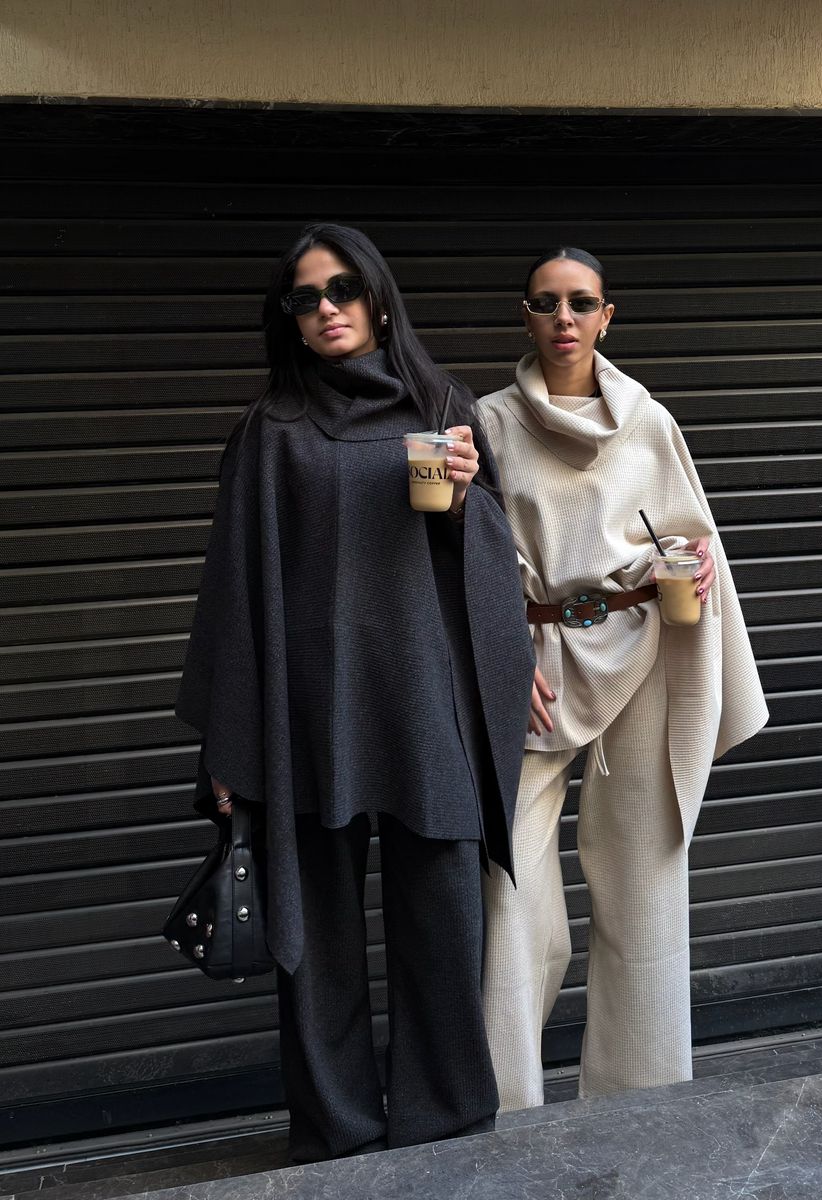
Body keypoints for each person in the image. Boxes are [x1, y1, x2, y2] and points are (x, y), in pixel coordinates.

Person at [175, 223, 535, 1162]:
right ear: (289, 319)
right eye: (306, 298)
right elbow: (233, 589)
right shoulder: (271, 431)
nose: (326, 308)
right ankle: (337, 1129)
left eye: (342, 289)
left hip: (423, 705)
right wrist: (229, 745)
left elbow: (489, 567)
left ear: (377, 296)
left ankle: (444, 1118)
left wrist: (467, 505)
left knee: (444, 921)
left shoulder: (443, 405)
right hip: (308, 715)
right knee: (321, 938)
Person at [475, 246, 768, 1110]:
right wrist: (497, 653)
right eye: (546, 302)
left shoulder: (649, 421)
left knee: (646, 879)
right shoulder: (487, 423)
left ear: (608, 316)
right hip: (534, 667)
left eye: (581, 302)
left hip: (644, 650)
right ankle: (507, 1100)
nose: (563, 318)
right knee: (509, 886)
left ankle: (640, 1103)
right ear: (525, 316)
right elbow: (465, 557)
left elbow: (693, 535)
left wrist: (700, 565)